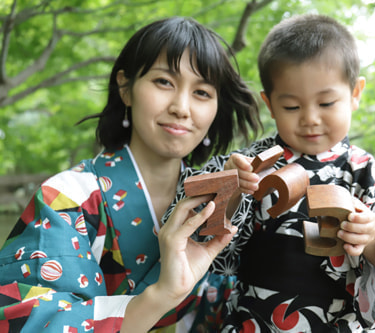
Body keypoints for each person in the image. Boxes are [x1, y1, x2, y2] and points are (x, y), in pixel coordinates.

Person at [165, 14, 375, 332]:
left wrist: (374, 237)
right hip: (252, 312)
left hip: (331, 317)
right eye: (292, 107)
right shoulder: (251, 162)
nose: (310, 119)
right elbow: (199, 237)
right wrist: (229, 190)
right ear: (271, 104)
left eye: (327, 103)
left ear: (355, 94)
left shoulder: (362, 171)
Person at [0, 16, 261, 332]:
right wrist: (160, 296)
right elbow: (30, 321)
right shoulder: (68, 197)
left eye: (202, 93)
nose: (182, 107)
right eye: (164, 82)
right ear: (125, 88)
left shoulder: (216, 201)